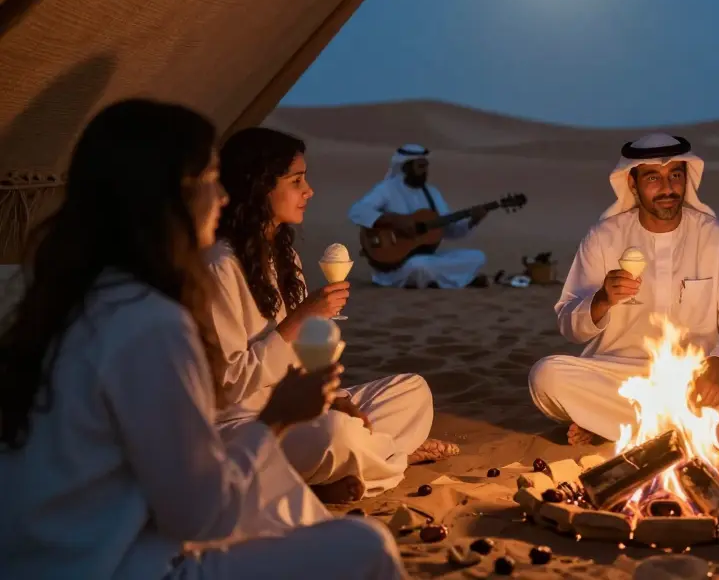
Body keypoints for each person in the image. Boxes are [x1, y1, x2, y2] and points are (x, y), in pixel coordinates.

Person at [0, 99, 404, 579]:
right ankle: (377, 458)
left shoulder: (53, 294)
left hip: (45, 555)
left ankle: (367, 458)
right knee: (365, 545)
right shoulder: (149, 320)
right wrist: (276, 417)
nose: (224, 198)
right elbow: (202, 513)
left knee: (294, 489)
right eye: (211, 179)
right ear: (169, 196)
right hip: (119, 565)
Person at [210, 128, 458, 503]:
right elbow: (229, 383)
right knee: (336, 435)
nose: (308, 190)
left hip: (301, 408)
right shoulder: (221, 266)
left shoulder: (283, 257)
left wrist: (334, 396)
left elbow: (304, 363)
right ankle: (391, 457)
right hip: (247, 425)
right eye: (296, 181)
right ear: (259, 186)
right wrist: (299, 320)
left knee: (413, 391)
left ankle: (360, 461)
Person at [529, 133, 719, 446]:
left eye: (675, 175)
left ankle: (613, 429)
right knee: (547, 377)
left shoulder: (716, 237)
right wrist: (601, 300)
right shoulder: (603, 238)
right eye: (653, 178)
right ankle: (701, 432)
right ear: (632, 184)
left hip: (696, 377)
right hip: (621, 377)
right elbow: (570, 325)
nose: (667, 188)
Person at [348, 144, 488, 288]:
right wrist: (395, 220)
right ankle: (456, 280)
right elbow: (357, 211)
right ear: (405, 167)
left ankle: (434, 280)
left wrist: (472, 221)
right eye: (420, 166)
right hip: (397, 265)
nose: (425, 171)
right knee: (418, 266)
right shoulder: (387, 189)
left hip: (423, 257)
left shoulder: (432, 193)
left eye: (426, 166)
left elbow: (450, 231)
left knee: (477, 257)